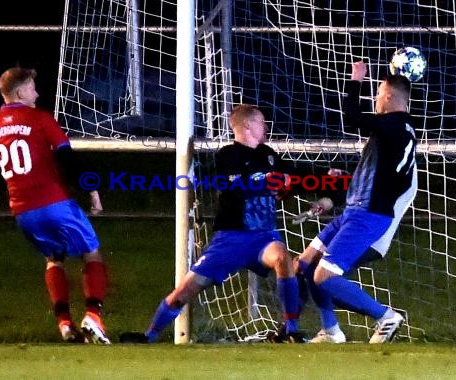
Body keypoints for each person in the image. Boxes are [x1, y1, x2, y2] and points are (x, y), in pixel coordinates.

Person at [119, 104, 313, 344]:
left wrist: (326, 176)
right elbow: (235, 185)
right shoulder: (227, 155)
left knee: (283, 258)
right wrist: (271, 181)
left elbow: (296, 175)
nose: (266, 127)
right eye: (262, 122)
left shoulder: (268, 154)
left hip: (264, 236)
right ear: (247, 125)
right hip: (231, 238)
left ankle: (290, 330)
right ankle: (149, 336)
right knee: (185, 290)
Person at [0, 67, 110, 344]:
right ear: (20, 92)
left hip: (23, 212)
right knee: (91, 253)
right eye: (33, 87)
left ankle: (65, 324)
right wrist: (92, 190)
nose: (37, 92)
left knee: (53, 258)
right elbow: (68, 159)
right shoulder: (40, 119)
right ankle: (93, 316)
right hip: (55, 203)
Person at [295, 61, 418, 344]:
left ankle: (385, 315)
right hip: (355, 212)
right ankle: (331, 331)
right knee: (305, 265)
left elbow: (351, 117)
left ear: (388, 97)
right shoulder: (397, 131)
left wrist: (355, 79)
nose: (375, 100)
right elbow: (376, 176)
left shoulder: (396, 124)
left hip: (368, 216)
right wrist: (335, 197)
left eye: (377, 94)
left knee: (324, 275)